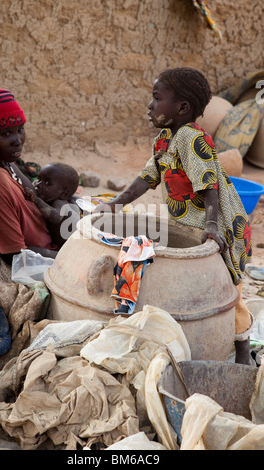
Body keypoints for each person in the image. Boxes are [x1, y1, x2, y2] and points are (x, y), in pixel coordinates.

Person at [95, 67, 253, 365]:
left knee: (228, 289)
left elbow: (209, 186)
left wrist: (211, 227)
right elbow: (146, 178)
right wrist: (116, 202)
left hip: (220, 227)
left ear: (181, 108)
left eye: (157, 98)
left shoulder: (193, 139)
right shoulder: (165, 139)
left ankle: (243, 351)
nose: (150, 105)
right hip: (192, 224)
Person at [0, 88, 58, 264]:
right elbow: (15, 254)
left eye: (20, 129)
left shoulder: (6, 162)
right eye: (5, 134)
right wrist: (68, 258)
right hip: (41, 261)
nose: (18, 140)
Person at [24, 163, 81, 248]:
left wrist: (36, 200)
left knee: (30, 250)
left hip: (73, 247)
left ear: (63, 194)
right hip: (64, 245)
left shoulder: (60, 202)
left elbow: (55, 217)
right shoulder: (51, 199)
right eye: (39, 180)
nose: (38, 185)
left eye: (47, 183)